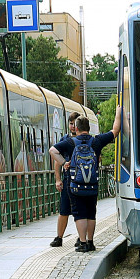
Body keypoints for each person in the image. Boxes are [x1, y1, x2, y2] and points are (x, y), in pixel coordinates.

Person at [50, 108, 122, 252]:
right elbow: (115, 130)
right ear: (88, 128)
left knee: (79, 214)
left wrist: (64, 163)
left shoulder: (70, 142)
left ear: (76, 128)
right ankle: (90, 242)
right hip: (92, 185)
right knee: (90, 213)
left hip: (75, 185)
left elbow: (52, 151)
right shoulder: (97, 141)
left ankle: (82, 243)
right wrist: (118, 112)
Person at [50, 112, 81, 247]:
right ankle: (59, 237)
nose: (72, 126)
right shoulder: (64, 140)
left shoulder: (85, 139)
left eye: (75, 123)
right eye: (70, 123)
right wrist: (58, 179)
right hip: (68, 178)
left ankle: (82, 238)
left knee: (80, 211)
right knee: (64, 210)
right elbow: (57, 160)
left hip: (82, 180)